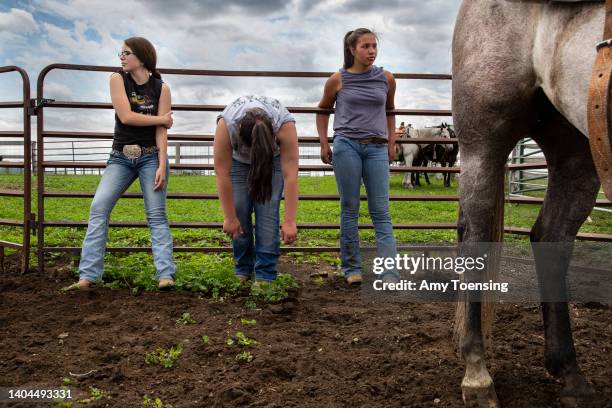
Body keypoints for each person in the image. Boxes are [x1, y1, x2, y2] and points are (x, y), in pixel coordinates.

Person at [73, 37, 176, 290]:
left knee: (157, 215)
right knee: (99, 207)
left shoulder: (161, 88)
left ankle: (165, 275)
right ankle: (87, 277)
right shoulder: (117, 79)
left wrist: (162, 163)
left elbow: (162, 131)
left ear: (141, 57)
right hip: (120, 157)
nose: (121, 57)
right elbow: (126, 117)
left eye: (126, 53)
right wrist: (161, 118)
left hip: (151, 157)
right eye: (120, 52)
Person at [316, 28, 398, 285]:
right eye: (365, 46)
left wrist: (391, 142)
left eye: (374, 46)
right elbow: (322, 111)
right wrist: (323, 143)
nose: (371, 51)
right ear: (352, 50)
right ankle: (351, 268)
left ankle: (389, 272)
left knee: (381, 211)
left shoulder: (386, 78)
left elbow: (390, 111)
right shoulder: (337, 80)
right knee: (349, 208)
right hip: (346, 146)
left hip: (376, 148)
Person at [214, 95, 298, 282]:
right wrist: (229, 217)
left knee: (267, 211)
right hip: (238, 163)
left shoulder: (284, 125)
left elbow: (290, 175)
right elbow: (222, 173)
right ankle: (243, 268)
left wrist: (290, 221)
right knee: (239, 208)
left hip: (271, 160)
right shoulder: (227, 125)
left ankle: (266, 274)